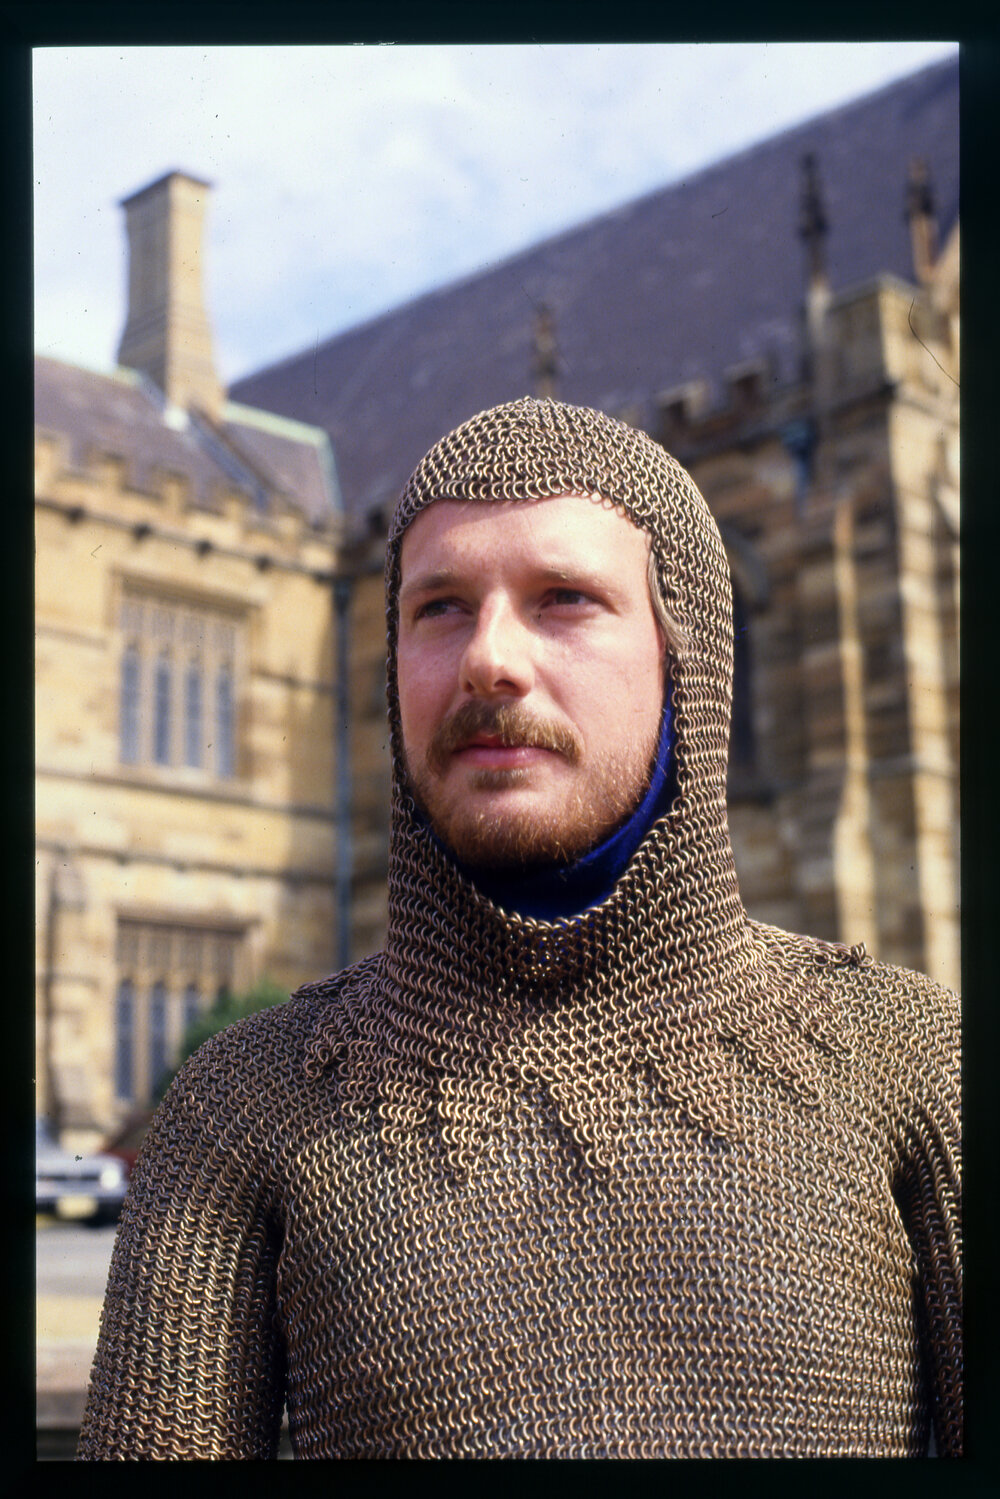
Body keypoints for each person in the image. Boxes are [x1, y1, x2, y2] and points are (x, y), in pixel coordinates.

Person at [78, 397, 961, 1460]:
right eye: (440, 607)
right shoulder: (244, 1106)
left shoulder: (913, 1060)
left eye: (565, 598)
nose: (489, 656)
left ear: (684, 659)